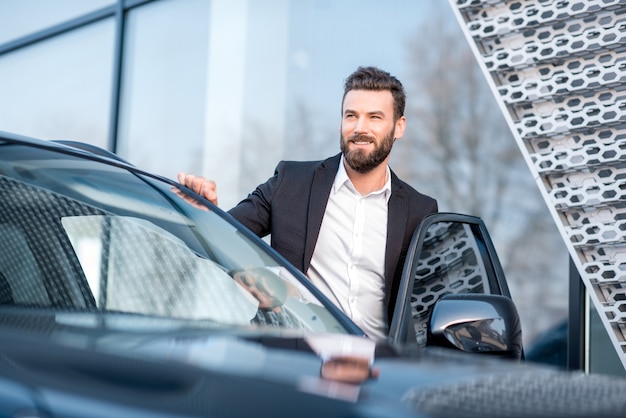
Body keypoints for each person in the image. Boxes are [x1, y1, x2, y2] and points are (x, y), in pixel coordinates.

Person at [178, 66, 438, 340]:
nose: (360, 128)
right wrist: (205, 213)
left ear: (399, 127)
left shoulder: (419, 211)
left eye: (374, 117)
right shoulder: (291, 183)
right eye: (351, 116)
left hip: (380, 369)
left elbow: (429, 308)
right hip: (297, 358)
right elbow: (222, 239)